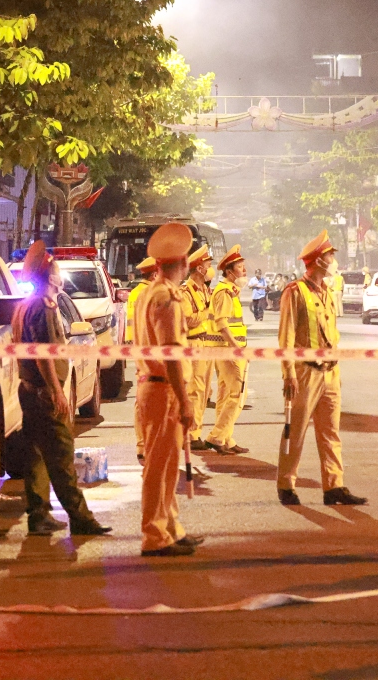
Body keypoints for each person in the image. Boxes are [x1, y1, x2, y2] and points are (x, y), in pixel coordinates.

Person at [12, 241, 112, 538]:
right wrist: (56, 391)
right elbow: (44, 355)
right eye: (56, 270)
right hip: (43, 392)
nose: (60, 275)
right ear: (50, 277)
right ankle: (81, 518)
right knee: (61, 456)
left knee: (36, 457)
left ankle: (39, 515)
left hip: (29, 390)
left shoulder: (25, 306)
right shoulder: (42, 308)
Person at [277, 231, 367, 506]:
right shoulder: (295, 292)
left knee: (331, 432)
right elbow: (286, 337)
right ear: (318, 260)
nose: (333, 260)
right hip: (305, 373)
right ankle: (286, 485)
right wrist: (289, 373)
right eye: (330, 255)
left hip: (330, 371)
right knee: (297, 431)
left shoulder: (327, 292)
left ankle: (334, 486)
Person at [133, 222, 205, 557]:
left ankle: (171, 528)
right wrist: (186, 400)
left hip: (157, 389)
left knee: (166, 466)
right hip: (164, 391)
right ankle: (155, 535)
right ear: (185, 264)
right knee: (159, 468)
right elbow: (172, 354)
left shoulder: (150, 291)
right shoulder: (167, 298)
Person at [205, 245, 251, 454]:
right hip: (228, 350)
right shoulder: (224, 292)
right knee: (236, 393)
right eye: (241, 267)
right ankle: (216, 436)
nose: (245, 271)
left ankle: (226, 439)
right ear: (230, 271)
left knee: (225, 394)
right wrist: (237, 348)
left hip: (227, 350)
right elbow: (222, 325)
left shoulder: (231, 291)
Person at [182, 246, 215, 452]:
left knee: (204, 391)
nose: (211, 269)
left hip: (206, 344)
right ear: (199, 269)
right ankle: (191, 434)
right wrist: (208, 312)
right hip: (193, 344)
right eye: (208, 265)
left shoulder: (206, 290)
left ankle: (197, 431)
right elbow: (188, 319)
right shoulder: (186, 292)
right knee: (194, 390)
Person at [125, 256, 158, 463]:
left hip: (139, 352)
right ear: (154, 274)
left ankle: (142, 444)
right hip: (153, 353)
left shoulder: (135, 293)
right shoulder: (152, 293)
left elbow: (131, 324)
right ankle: (149, 444)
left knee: (141, 400)